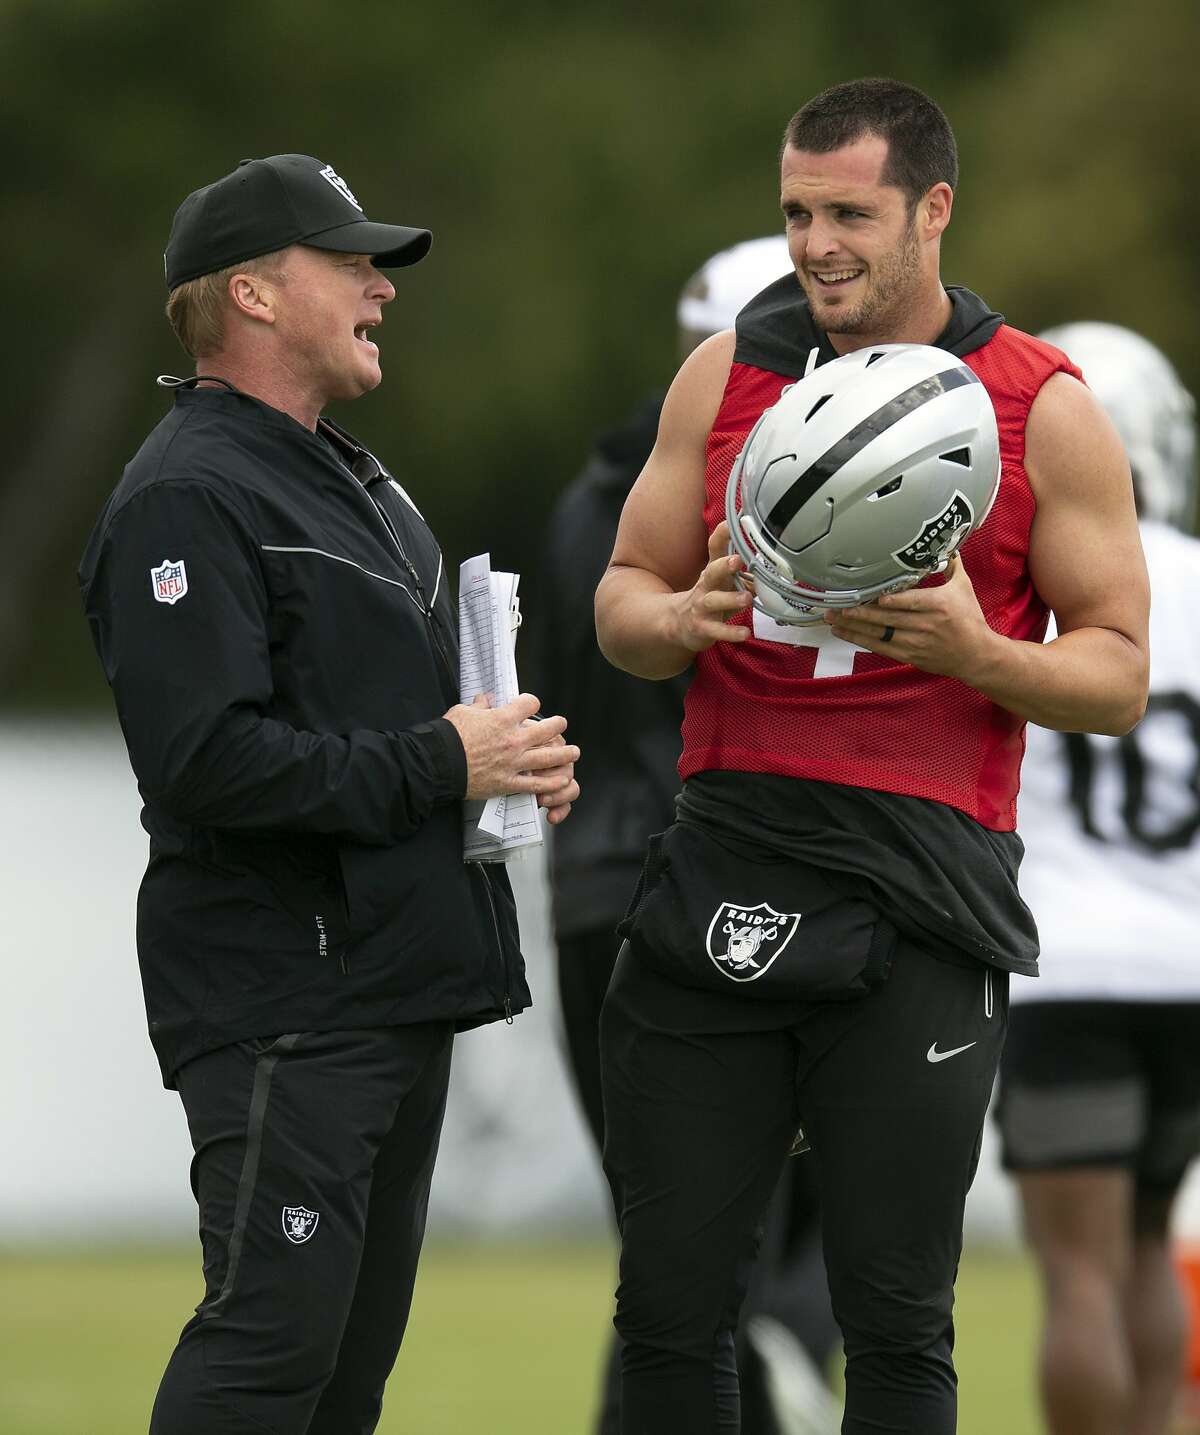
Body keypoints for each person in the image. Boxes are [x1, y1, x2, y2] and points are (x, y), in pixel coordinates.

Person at [592, 78, 1150, 1435]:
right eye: (796, 211)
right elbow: (621, 596)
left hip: (923, 890)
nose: (816, 242)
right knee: (669, 1307)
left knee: (897, 1318)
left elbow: (1118, 672)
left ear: (933, 209)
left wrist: (982, 653)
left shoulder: (1042, 403)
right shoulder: (727, 371)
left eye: (850, 211)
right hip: (724, 861)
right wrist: (680, 616)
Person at [77, 153, 578, 1435]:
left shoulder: (356, 482)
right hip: (285, 1005)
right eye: (348, 262)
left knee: (340, 1384)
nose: (380, 288)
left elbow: (393, 737)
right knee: (265, 1361)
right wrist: (440, 761)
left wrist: (500, 770)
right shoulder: (191, 491)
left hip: (390, 991)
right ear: (249, 293)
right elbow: (204, 761)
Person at [540, 235, 841, 1435]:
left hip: (591, 890)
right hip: (719, 884)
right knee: (744, 1255)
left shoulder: (589, 496)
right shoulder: (789, 497)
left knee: (667, 1251)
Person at [994, 323, 1200, 1435]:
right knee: (1146, 1252)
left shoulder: (1020, 591)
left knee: (1076, 1274)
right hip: (1188, 966)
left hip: (1065, 963)